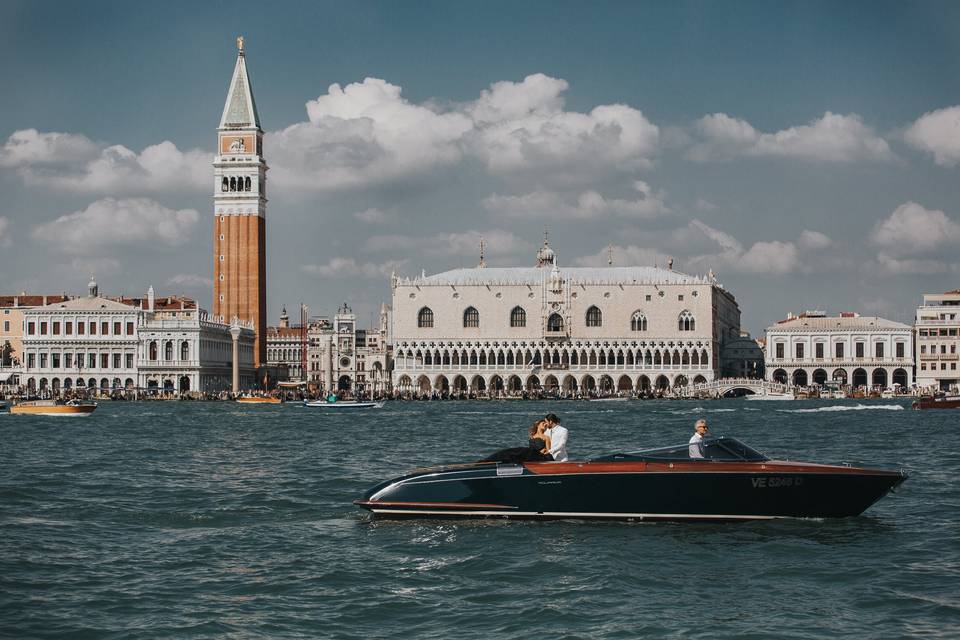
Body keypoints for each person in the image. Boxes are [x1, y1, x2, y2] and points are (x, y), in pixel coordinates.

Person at [481, 420, 554, 463]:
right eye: (543, 423)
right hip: (532, 454)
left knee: (519, 452)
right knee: (513, 451)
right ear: (538, 425)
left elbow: (549, 451)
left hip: (540, 456)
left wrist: (543, 452)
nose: (545, 425)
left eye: (546, 424)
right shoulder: (532, 436)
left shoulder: (546, 437)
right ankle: (490, 460)